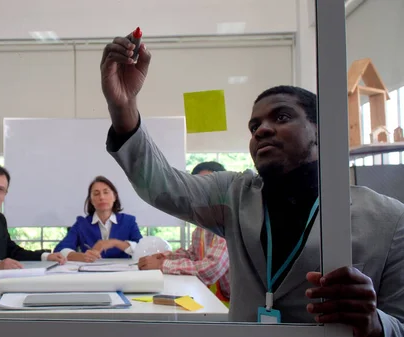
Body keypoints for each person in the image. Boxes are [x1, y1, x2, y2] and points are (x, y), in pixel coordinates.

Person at [100, 35, 404, 337]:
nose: (262, 130)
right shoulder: (233, 194)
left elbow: (399, 324)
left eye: (282, 117)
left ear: (321, 129)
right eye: (254, 126)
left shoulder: (389, 220)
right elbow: (160, 185)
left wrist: (375, 322)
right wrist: (123, 107)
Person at [138, 162, 230, 305]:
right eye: (197, 187)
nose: (202, 192)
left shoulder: (230, 222)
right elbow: (193, 255)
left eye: (208, 185)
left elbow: (211, 269)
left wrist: (163, 264)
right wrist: (165, 256)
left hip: (238, 305)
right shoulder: (201, 226)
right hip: (216, 299)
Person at [54, 176, 143, 262]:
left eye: (106, 192)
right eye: (96, 194)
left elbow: (142, 249)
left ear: (115, 196)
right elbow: (60, 249)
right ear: (91, 200)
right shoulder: (82, 224)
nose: (101, 197)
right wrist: (82, 256)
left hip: (122, 274)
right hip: (92, 274)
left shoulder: (128, 221)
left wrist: (114, 243)